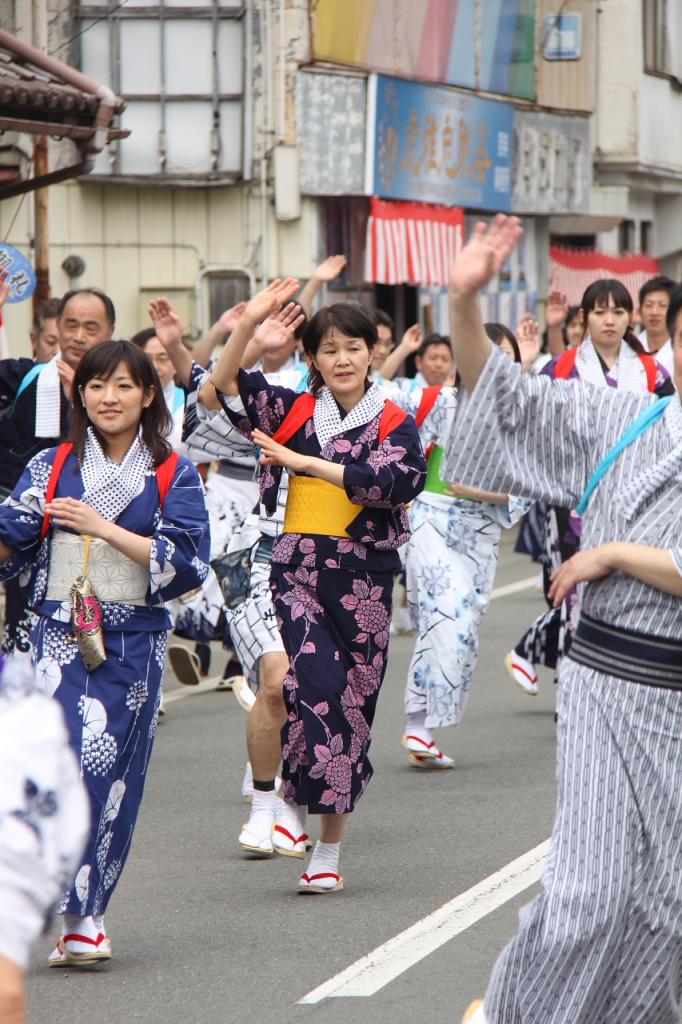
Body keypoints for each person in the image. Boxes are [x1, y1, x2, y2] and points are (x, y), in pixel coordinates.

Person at [445, 216, 682, 1024]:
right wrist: (464, 304)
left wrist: (615, 552)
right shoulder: (629, 423)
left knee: (664, 910)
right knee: (588, 895)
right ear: (673, 350)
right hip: (606, 679)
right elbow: (508, 400)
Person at [206, 281, 427, 892]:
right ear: (312, 360)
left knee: (352, 710)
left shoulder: (394, 420)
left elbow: (398, 482)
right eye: (328, 350)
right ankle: (280, 805)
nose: (343, 360)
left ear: (372, 353)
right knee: (312, 686)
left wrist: (306, 464)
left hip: (364, 580)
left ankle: (326, 848)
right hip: (299, 570)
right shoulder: (295, 409)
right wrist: (248, 325)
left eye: (353, 347)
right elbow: (220, 388)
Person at [0, 340, 210, 967]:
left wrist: (103, 528)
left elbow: (189, 563)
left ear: (148, 395)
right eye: (95, 386)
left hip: (133, 645)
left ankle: (86, 914)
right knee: (53, 773)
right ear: (80, 395)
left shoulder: (174, 471)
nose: (107, 398)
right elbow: (13, 532)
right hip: (55, 640)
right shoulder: (52, 465)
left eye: (122, 386)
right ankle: (59, 909)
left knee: (110, 778)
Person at [505, 277, 673, 697]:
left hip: (635, 495)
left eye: (618, 311)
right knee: (572, 584)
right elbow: (528, 415)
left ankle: (614, 676)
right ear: (586, 317)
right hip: (573, 496)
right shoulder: (561, 367)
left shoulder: (652, 370)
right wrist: (524, 366)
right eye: (600, 311)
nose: (609, 320)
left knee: (624, 580)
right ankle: (573, 678)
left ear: (629, 317)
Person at [398, 325, 529, 769]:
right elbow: (396, 442)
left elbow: (527, 490)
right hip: (432, 517)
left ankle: (421, 723)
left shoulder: (520, 419)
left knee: (459, 626)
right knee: (446, 613)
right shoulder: (439, 400)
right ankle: (418, 726)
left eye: (505, 357)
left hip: (482, 531)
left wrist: (483, 492)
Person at [637, 274, 676, 378]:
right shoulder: (628, 348)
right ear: (640, 311)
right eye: (649, 305)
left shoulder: (678, 349)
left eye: (662, 305)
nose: (654, 312)